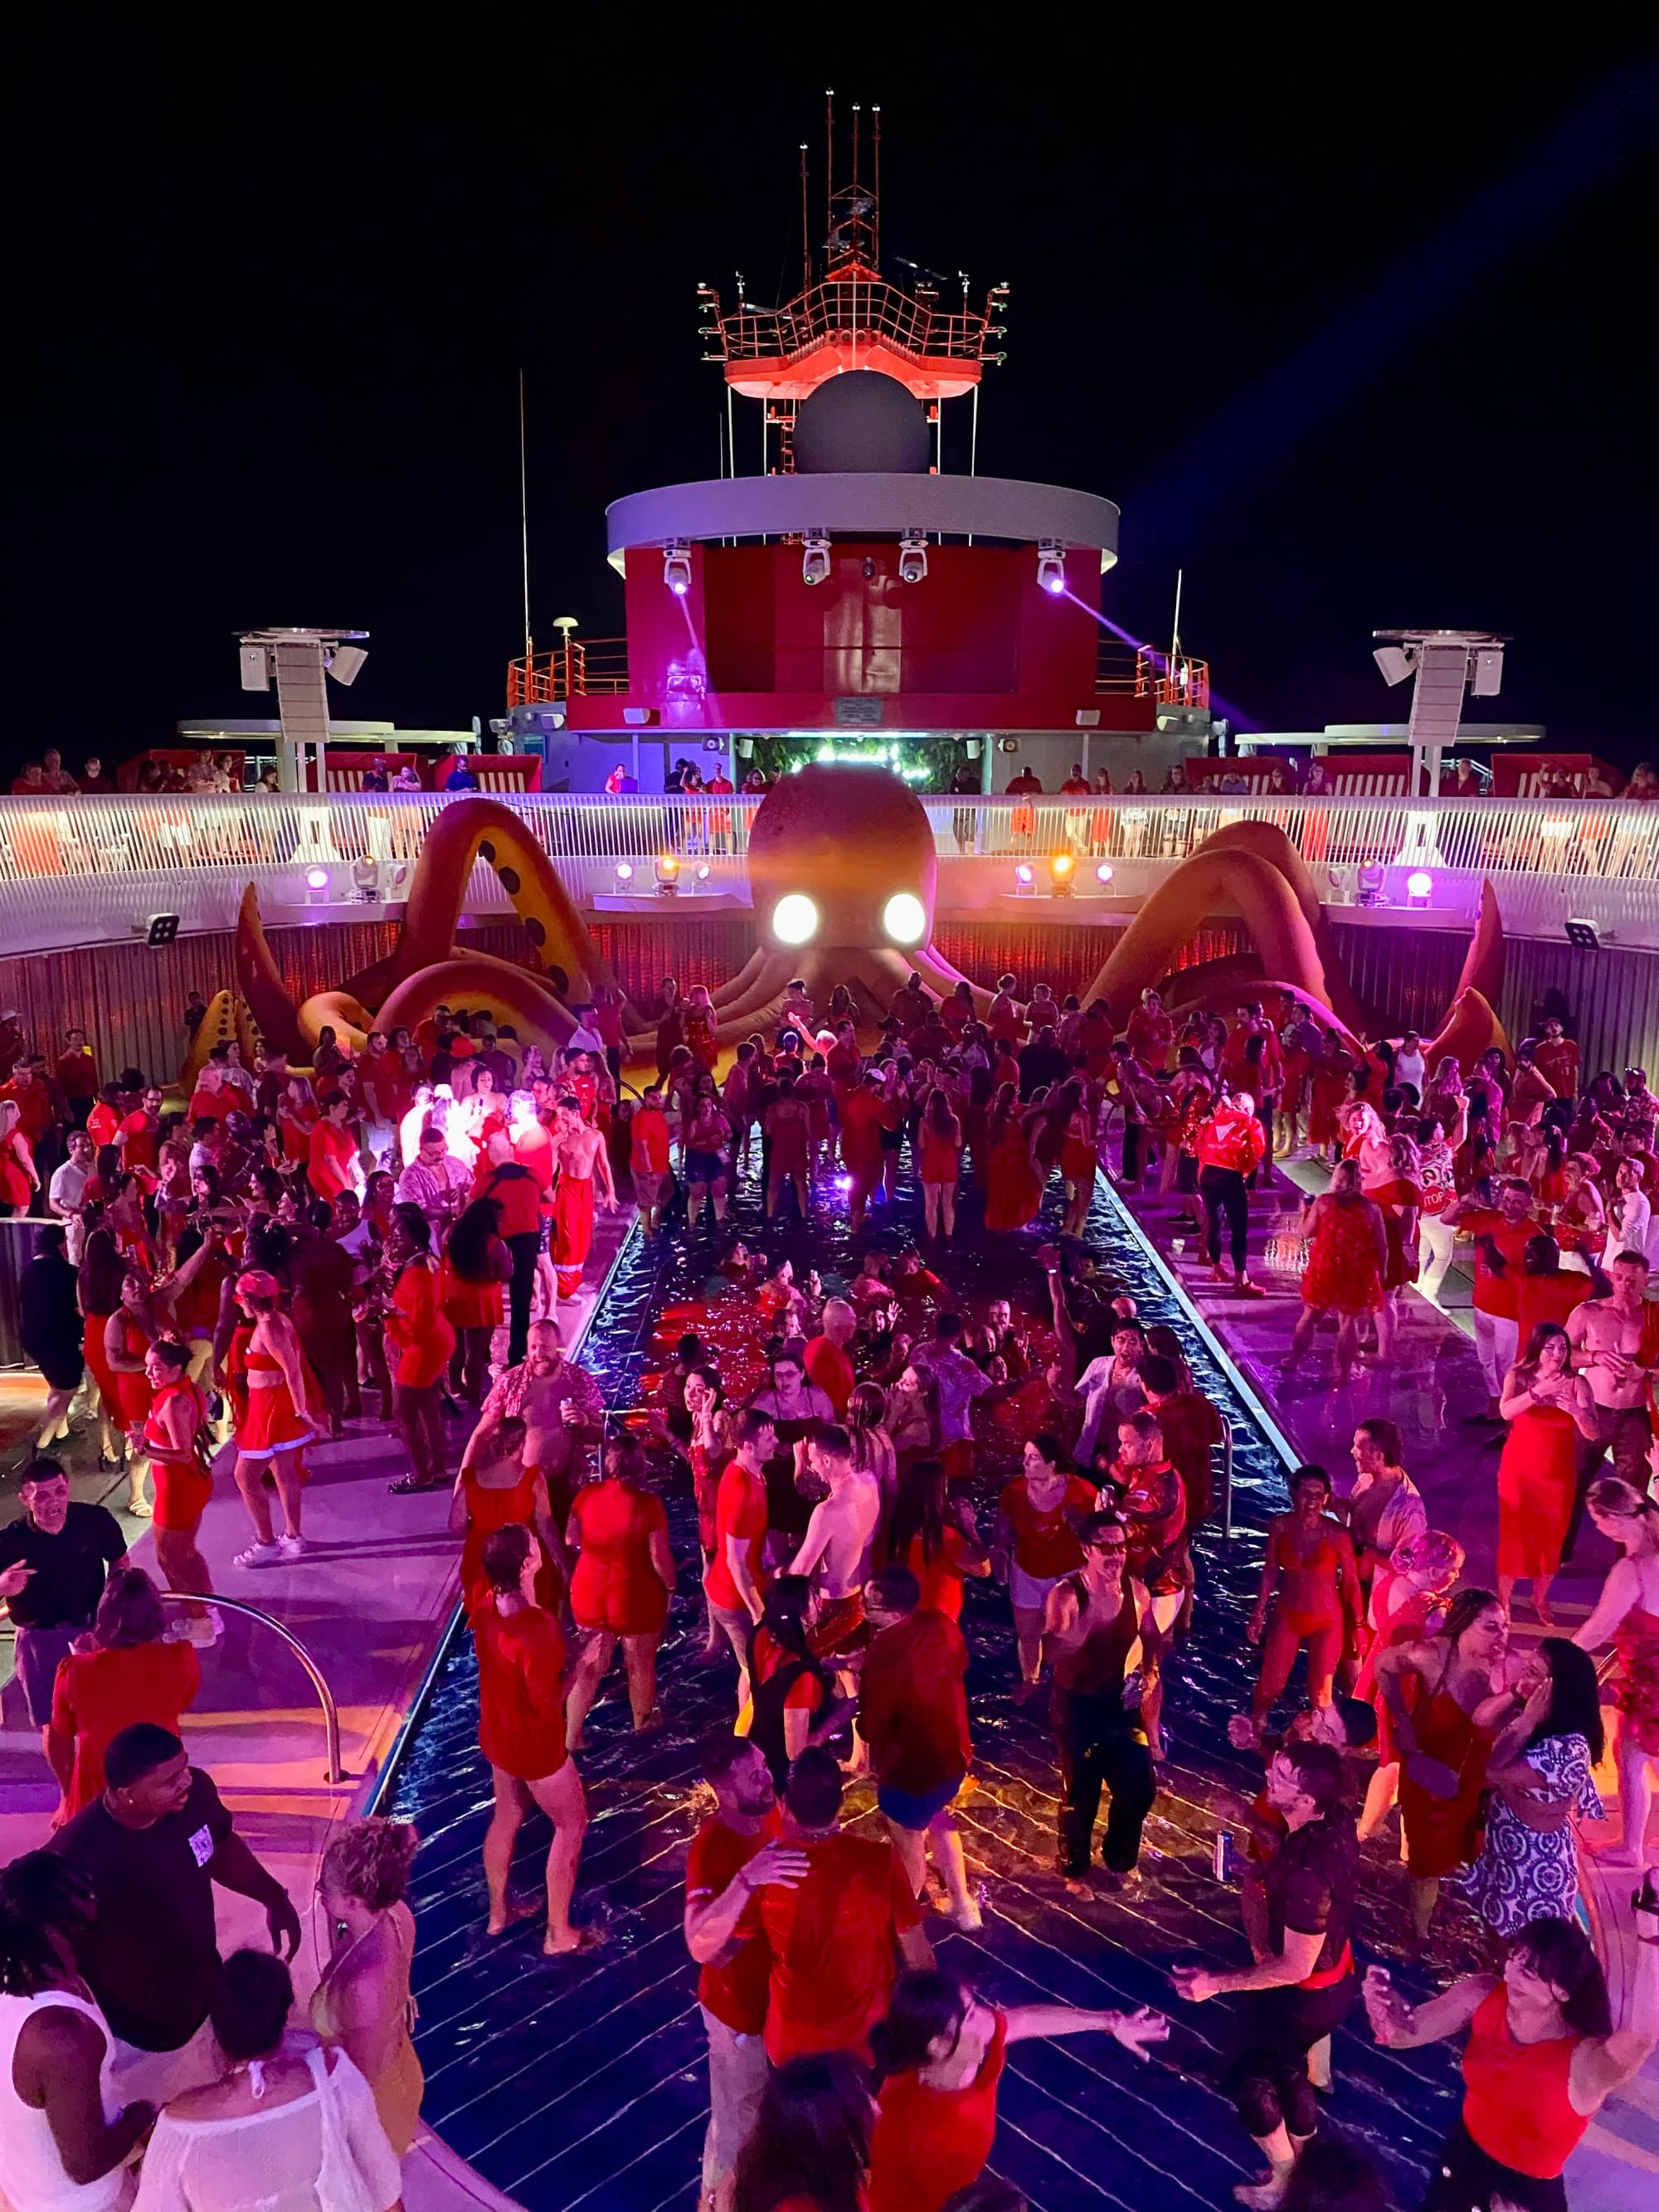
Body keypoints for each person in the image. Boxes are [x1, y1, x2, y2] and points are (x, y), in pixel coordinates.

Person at [51, 1723, 300, 2105]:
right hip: (135, 2039)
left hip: (203, 1997)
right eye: (169, 1780)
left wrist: (272, 1896)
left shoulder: (196, 1795)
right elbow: (42, 1940)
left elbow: (218, 1847)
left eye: (184, 1768)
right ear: (125, 1795)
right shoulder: (77, 1855)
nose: (185, 1781)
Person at [1365, 1910, 1659, 2212]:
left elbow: (1641, 2038)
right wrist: (1386, 2015)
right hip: (1464, 2158)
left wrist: (1651, 1932)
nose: (1508, 1974)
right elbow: (1407, 2034)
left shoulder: (1584, 2063)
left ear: (1563, 1991)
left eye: (1527, 1972)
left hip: (1523, 2198)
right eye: (1513, 1959)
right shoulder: (1481, 1995)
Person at [1171, 1742, 1359, 2212]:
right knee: (1289, 2069)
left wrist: (1216, 1982)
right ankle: (1302, 2157)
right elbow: (1290, 1851)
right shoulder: (1332, 1823)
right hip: (1333, 1984)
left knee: (1246, 2076)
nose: (1269, 1780)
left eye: (1281, 1778)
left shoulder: (1306, 1880)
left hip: (1302, 1996)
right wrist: (1252, 1845)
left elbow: (1295, 1964)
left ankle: (1285, 2181)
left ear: (1306, 1800)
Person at [865, 1971, 1168, 2212]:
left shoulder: (975, 2047)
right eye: (970, 2015)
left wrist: (1111, 2022)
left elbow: (1023, 2019)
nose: (991, 2016)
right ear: (937, 2044)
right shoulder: (920, 2132)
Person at [131, 1947, 401, 2212]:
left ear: (216, 2027)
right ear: (282, 2020)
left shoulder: (179, 2130)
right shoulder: (334, 2078)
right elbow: (386, 2194)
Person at [684, 1733, 808, 2212]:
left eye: (763, 1766)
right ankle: (715, 2204)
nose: (768, 1776)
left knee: (764, 2111)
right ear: (724, 1790)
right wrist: (745, 1882)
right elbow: (698, 1944)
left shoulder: (769, 1809)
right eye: (754, 1774)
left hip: (775, 2008)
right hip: (737, 2016)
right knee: (735, 2122)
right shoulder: (710, 1852)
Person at [749, 1748, 933, 2068]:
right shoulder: (878, 1862)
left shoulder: (765, 1870)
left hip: (792, 2048)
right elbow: (921, 1960)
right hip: (864, 2046)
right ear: (841, 1801)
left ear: (786, 1806)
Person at [0, 1851, 156, 2212]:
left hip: (31, 2189)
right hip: (84, 2203)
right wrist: (142, 2116)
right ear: (51, 1928)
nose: (92, 1901)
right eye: (80, 1898)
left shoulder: (27, 1976)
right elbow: (85, 2165)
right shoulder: (60, 2035)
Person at [470, 1522, 596, 1956]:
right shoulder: (537, 1628)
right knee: (572, 1822)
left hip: (497, 1736)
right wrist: (579, 1665)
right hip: (536, 1747)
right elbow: (546, 1704)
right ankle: (557, 1933)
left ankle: (497, 1914)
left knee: (506, 1815)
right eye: (532, 1543)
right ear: (528, 1563)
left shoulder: (484, 1607)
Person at [1374, 1588, 1508, 1944]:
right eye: (1491, 1627)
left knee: (1487, 1858)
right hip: (1429, 1784)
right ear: (1463, 1624)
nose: (1502, 1636)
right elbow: (1382, 1665)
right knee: (1425, 1866)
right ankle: (1419, 1937)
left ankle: (1491, 1942)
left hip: (1480, 1785)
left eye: (1505, 1626)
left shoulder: (1509, 1667)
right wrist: (1400, 1717)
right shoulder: (1430, 1655)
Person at [1453, 1639, 1604, 1938]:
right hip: (1508, 1851)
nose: (1523, 1670)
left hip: (1534, 1868)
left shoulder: (1569, 1747)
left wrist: (1524, 1724)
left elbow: (1495, 1771)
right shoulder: (1533, 1716)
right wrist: (1514, 1693)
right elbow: (1480, 1718)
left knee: (1525, 1949)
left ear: (1556, 1689)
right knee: (1496, 1928)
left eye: (1533, 1670)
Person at [1044, 1510, 1157, 1894]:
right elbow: (1049, 1653)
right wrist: (1074, 1636)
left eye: (1121, 1546)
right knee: (1082, 1793)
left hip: (1117, 1702)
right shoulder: (1066, 1595)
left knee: (1140, 1786)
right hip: (1076, 1706)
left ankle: (1119, 1857)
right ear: (1086, 1550)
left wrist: (1150, 1670)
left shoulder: (1136, 1591)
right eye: (1106, 1547)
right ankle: (1074, 1867)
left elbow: (1152, 1635)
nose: (1116, 1555)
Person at [859, 1567, 978, 1931]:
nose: (863, 1610)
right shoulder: (941, 1623)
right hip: (953, 1758)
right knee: (940, 1818)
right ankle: (963, 1905)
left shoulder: (885, 1656)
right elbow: (960, 1663)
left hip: (910, 1773)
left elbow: (870, 1726)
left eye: (869, 1606)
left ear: (892, 1614)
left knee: (907, 1845)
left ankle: (903, 1926)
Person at [46, 1569, 200, 1825]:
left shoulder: (74, 1670)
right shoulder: (182, 1658)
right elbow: (183, 1700)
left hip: (99, 1776)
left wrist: (86, 1659)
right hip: (160, 1769)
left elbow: (62, 1727)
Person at [309, 1818, 423, 2156]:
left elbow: (358, 2080)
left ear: (355, 1901)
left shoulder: (365, 1989)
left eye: (325, 1889)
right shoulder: (394, 1914)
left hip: (376, 2113)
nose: (317, 1888)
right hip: (398, 2066)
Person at [0, 1463, 126, 1753]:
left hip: (94, 1630)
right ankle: (69, 1791)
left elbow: (120, 1562)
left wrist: (111, 1616)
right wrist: (4, 1586)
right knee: (53, 1722)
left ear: (68, 1487)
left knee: (105, 1713)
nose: (54, 1502)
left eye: (60, 1492)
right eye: (42, 1496)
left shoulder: (95, 1521)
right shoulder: (10, 1540)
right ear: (24, 1499)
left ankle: (106, 1777)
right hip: (39, 1641)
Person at [563, 1433, 675, 1747]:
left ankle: (572, 1735)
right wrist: (670, 1587)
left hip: (590, 1592)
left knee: (588, 1667)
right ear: (641, 1465)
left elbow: (571, 1538)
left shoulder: (586, 1495)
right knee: (639, 1664)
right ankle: (641, 1724)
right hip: (632, 1594)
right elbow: (659, 1558)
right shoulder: (649, 1504)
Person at [1573, 1473, 1659, 1863]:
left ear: (1614, 1517)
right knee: (1634, 1754)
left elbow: (1599, 1628)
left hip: (1651, 1683)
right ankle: (1631, 1846)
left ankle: (1630, 1848)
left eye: (1597, 1519)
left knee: (1635, 1754)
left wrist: (1558, 1655)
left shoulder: (1632, 1571)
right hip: (1648, 1679)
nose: (1597, 1528)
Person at [1496, 1323, 1599, 1624]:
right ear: (1538, 1350)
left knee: (1552, 1538)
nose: (1557, 1354)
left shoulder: (1578, 1384)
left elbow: (1593, 1433)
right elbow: (1506, 1412)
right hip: (1519, 1471)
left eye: (1563, 1348)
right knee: (1514, 1536)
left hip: (1557, 1475)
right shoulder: (1519, 1376)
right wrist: (1537, 1393)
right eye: (1550, 1348)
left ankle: (1539, 1599)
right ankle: (1503, 1601)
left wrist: (1577, 1413)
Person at [1248, 1467, 1362, 1732]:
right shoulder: (1280, 1526)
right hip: (1289, 1614)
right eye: (1305, 1493)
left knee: (1321, 1695)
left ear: (1326, 1499)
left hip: (1326, 1619)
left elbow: (1351, 1582)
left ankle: (1325, 1742)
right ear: (1293, 1492)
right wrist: (1258, 1612)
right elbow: (1270, 1572)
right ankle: (1254, 1729)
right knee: (1269, 1687)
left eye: (1318, 1495)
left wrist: (1356, 1627)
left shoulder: (1337, 1535)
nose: (1311, 1501)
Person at [226, 1270, 323, 1566]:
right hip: (269, 1405)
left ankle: (266, 1543)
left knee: (245, 1476)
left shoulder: (269, 1327)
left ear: (249, 1300)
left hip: (271, 1408)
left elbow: (292, 1369)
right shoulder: (277, 1320)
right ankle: (293, 1537)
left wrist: (301, 1410)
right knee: (284, 1473)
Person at [1564, 1247, 1658, 1551]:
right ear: (1611, 1277)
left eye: (1632, 1280)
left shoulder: (1654, 1317)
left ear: (1646, 1280)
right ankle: (1561, 1551)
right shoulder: (1588, 1312)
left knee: (1632, 1494)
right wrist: (1594, 1356)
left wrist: (1643, 1371)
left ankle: (1628, 1558)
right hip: (1593, 1412)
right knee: (1574, 1482)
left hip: (1634, 1415)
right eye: (1619, 1278)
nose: (1625, 1285)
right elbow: (1560, 1356)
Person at [473, 1315, 604, 1529]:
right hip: (522, 1485)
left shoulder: (578, 1381)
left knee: (562, 1540)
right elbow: (481, 1434)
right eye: (533, 1347)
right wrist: (464, 1481)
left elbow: (599, 1435)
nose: (538, 1354)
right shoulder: (511, 1382)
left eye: (544, 1347)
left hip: (564, 1484)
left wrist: (585, 1421)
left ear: (558, 1346)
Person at [993, 1435, 1096, 1690]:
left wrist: (1080, 1525)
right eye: (1025, 1456)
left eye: (1033, 1457)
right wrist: (999, 1549)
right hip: (1027, 1572)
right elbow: (1003, 1523)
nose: (1024, 1462)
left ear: (1052, 1464)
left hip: (1069, 1576)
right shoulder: (1015, 1490)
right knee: (1028, 1634)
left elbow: (1100, 1536)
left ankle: (1069, 1682)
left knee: (1070, 1636)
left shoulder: (1081, 1492)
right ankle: (1031, 1681)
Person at [1444, 1177, 1540, 1419]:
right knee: (1486, 1360)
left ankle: (1511, 1414)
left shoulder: (1535, 1235)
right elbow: (1446, 1219)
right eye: (1507, 1200)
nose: (1510, 1206)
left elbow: (1538, 1278)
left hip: (1510, 1312)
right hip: (1481, 1304)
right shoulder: (1489, 1219)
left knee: (1507, 1365)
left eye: (1517, 1202)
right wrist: (1463, 1201)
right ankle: (1495, 1407)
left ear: (1528, 1204)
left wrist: (1503, 1271)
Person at [1283, 1162, 1387, 1383]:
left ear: (1337, 1177)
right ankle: (1345, 1373)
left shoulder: (1323, 1203)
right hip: (1357, 1270)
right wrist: (1383, 1272)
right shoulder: (1371, 1208)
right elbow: (1381, 1245)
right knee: (1347, 1321)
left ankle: (1294, 1359)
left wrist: (1305, 1212)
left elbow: (1305, 1233)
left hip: (1326, 1267)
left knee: (1311, 1316)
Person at [731, 2050, 873, 2212]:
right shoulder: (795, 2207)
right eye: (861, 2099)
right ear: (825, 2130)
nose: (875, 2107)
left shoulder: (837, 2178)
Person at [787, 1424, 881, 1659]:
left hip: (836, 1605)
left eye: (812, 1460)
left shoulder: (828, 1510)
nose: (812, 1466)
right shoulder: (869, 1482)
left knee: (798, 1662)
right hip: (861, 1597)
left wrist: (776, 1575)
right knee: (849, 1672)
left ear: (827, 1460)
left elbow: (799, 1573)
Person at [703, 1409, 774, 1711]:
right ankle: (748, 1738)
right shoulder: (740, 1489)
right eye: (768, 1438)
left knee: (756, 1670)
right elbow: (734, 1560)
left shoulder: (756, 1472)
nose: (776, 1442)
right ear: (746, 1444)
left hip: (746, 1590)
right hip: (734, 1601)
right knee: (755, 1674)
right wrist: (757, 1610)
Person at [382, 1204, 455, 1495]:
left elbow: (418, 1322)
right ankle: (437, 1468)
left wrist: (388, 1314)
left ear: (415, 1239)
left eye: (400, 1237)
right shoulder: (430, 1261)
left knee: (404, 1413)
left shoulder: (417, 1272)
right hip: (437, 1339)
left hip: (423, 1347)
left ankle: (422, 1474)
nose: (394, 1241)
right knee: (429, 1407)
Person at [883, 1455, 989, 1623]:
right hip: (940, 1622)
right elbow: (983, 1569)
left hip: (907, 1615)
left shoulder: (898, 1528)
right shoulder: (946, 1536)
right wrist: (969, 1527)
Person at [19, 1224, 84, 1450]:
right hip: (59, 1340)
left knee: (57, 1387)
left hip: (33, 1338)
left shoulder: (28, 1270)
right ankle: (42, 1445)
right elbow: (79, 1308)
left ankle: (61, 1433)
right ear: (60, 1244)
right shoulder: (67, 1272)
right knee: (67, 1390)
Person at [1195, 1088, 1267, 1292]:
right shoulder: (1249, 1122)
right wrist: (1242, 1172)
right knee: (1239, 1228)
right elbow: (1257, 1151)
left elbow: (1200, 1144)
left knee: (1215, 1222)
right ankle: (1241, 1280)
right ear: (1247, 1109)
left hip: (1208, 1173)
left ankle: (1216, 1268)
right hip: (1229, 1175)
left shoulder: (1214, 1120)